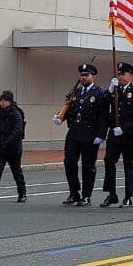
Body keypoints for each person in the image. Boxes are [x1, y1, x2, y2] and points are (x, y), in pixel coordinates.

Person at [54, 62, 109, 206]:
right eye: (82, 75)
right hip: (74, 133)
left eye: (87, 75)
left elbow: (103, 116)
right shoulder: (76, 92)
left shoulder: (99, 93)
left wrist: (101, 135)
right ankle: (74, 192)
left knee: (88, 165)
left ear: (93, 76)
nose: (84, 77)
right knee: (69, 162)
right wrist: (60, 117)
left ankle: (86, 195)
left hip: (90, 134)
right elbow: (70, 109)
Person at [102, 62, 133, 208]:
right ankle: (112, 194)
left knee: (128, 164)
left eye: (123, 74)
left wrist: (124, 128)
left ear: (130, 75)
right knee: (109, 161)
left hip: (128, 135)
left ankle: (128, 196)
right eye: (119, 74)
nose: (120, 77)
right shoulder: (115, 90)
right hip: (114, 133)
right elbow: (103, 104)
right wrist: (108, 91)